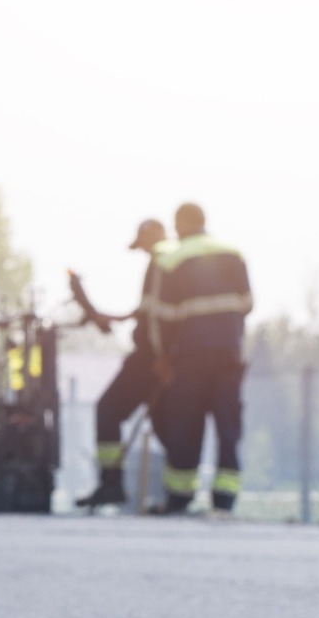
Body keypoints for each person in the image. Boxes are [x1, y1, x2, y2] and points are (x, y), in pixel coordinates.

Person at [148, 203, 252, 514]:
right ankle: (225, 497)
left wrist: (162, 357)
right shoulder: (233, 253)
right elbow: (247, 304)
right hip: (229, 354)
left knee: (185, 425)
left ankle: (180, 496)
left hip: (190, 356)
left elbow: (160, 317)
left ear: (179, 224)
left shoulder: (170, 258)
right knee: (228, 426)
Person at [77, 218, 168, 509]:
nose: (142, 251)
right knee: (167, 423)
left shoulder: (162, 262)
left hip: (151, 358)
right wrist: (115, 318)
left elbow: (156, 316)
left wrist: (160, 355)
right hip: (159, 356)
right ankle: (171, 494)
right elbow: (147, 311)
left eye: (143, 244)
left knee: (108, 410)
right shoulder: (164, 264)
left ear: (153, 236)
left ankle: (112, 483)